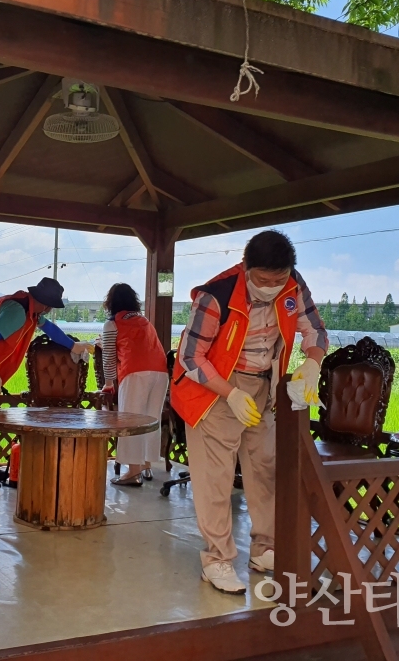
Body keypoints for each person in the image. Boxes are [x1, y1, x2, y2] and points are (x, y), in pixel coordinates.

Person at [170, 230, 327, 595]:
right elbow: (190, 357)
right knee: (216, 478)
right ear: (245, 268)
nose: (272, 286)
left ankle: (265, 549)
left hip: (263, 386)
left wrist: (313, 363)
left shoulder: (293, 285)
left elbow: (314, 329)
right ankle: (217, 559)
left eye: (279, 279)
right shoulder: (217, 295)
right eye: (263, 280)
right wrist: (232, 395)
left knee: (264, 468)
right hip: (214, 390)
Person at [0, 277, 93, 493]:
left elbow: (50, 329)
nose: (51, 311)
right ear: (47, 303)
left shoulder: (32, 311)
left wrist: (74, 345)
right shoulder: (17, 311)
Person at [99, 283, 169, 487]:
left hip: (135, 372)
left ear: (110, 302)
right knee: (150, 419)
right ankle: (146, 465)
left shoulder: (112, 324)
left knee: (130, 420)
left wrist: (109, 382)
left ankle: (133, 471)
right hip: (160, 372)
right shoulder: (144, 320)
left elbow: (109, 357)